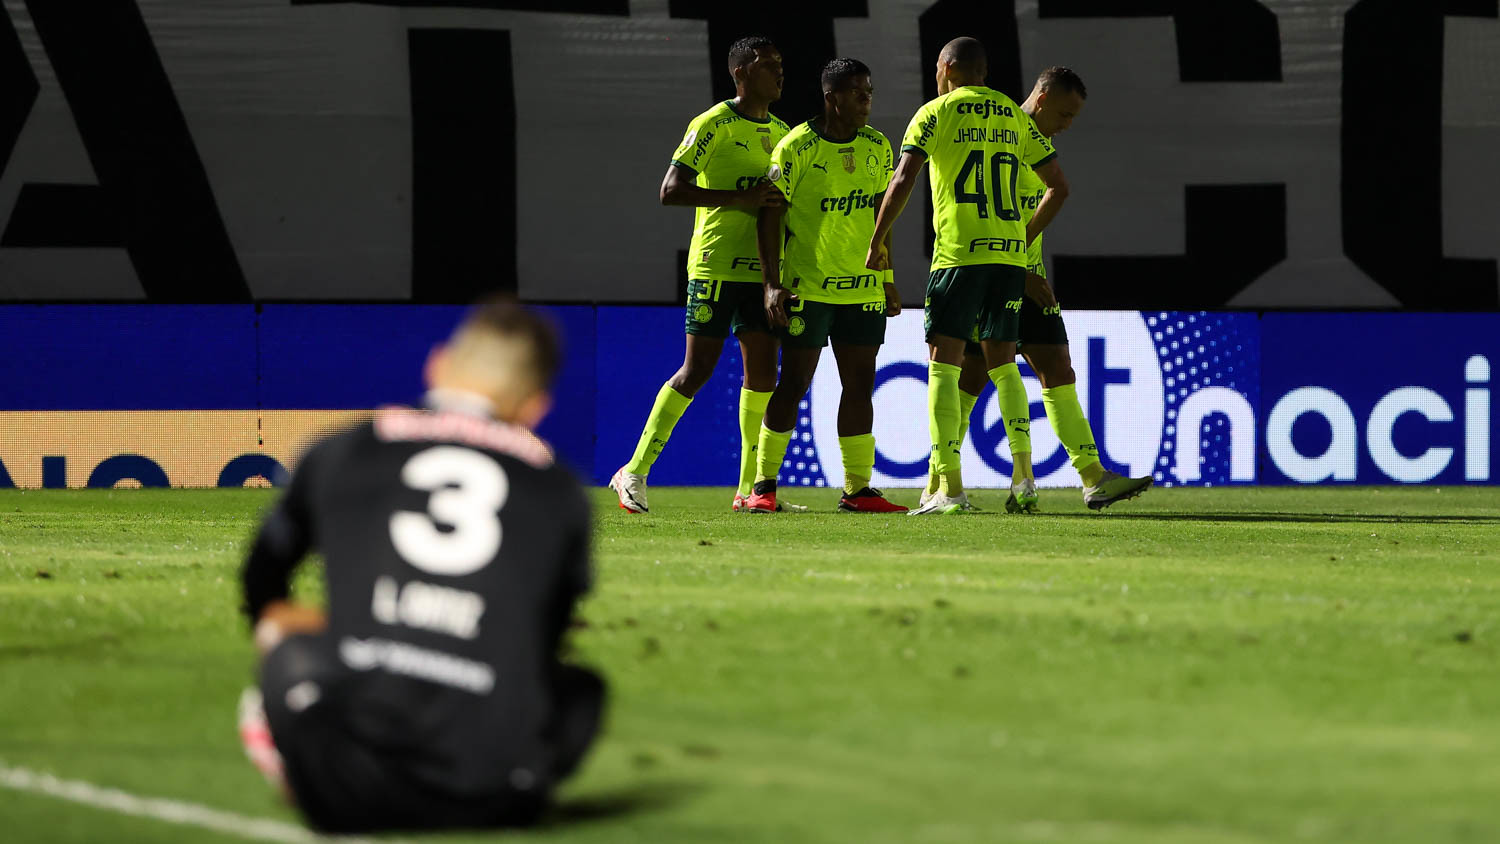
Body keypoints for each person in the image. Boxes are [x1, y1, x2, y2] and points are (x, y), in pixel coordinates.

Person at [235, 302, 602, 834]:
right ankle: (521, 777)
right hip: (495, 795)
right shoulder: (559, 491)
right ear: (535, 407)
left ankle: (294, 762)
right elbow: (545, 640)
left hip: (348, 787)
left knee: (288, 646)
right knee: (582, 688)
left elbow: (261, 580)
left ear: (437, 366)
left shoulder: (345, 450)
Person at [919, 66, 1153, 513]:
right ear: (1041, 99)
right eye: (1064, 115)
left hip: (1021, 274)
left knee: (1053, 366)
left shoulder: (1034, 143)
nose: (1067, 126)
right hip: (1000, 274)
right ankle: (940, 483)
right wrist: (1014, 262)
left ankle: (1091, 477)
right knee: (967, 379)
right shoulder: (1003, 131)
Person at [866, 37, 1067, 515]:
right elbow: (1058, 185)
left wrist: (878, 240)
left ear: (948, 67)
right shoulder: (1014, 115)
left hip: (958, 258)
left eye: (938, 67)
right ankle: (1024, 479)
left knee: (944, 363)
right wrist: (1021, 237)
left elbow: (902, 180)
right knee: (1004, 364)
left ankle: (949, 489)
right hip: (1007, 261)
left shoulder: (935, 112)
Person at [610, 36, 799, 514]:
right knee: (697, 371)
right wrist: (740, 199)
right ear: (740, 73)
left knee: (762, 377)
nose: (779, 71)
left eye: (780, 64)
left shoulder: (784, 131)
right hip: (714, 267)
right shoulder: (713, 124)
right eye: (769, 64)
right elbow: (670, 190)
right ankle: (633, 471)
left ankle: (749, 492)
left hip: (762, 275)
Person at [746, 58, 906, 514]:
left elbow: (883, 214)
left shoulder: (878, 146)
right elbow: (770, 216)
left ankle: (857, 490)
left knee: (859, 384)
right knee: (794, 382)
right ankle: (763, 486)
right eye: (858, 93)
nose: (867, 101)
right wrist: (771, 285)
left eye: (869, 92)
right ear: (831, 96)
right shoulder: (796, 147)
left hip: (861, 290)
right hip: (809, 288)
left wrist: (887, 276)